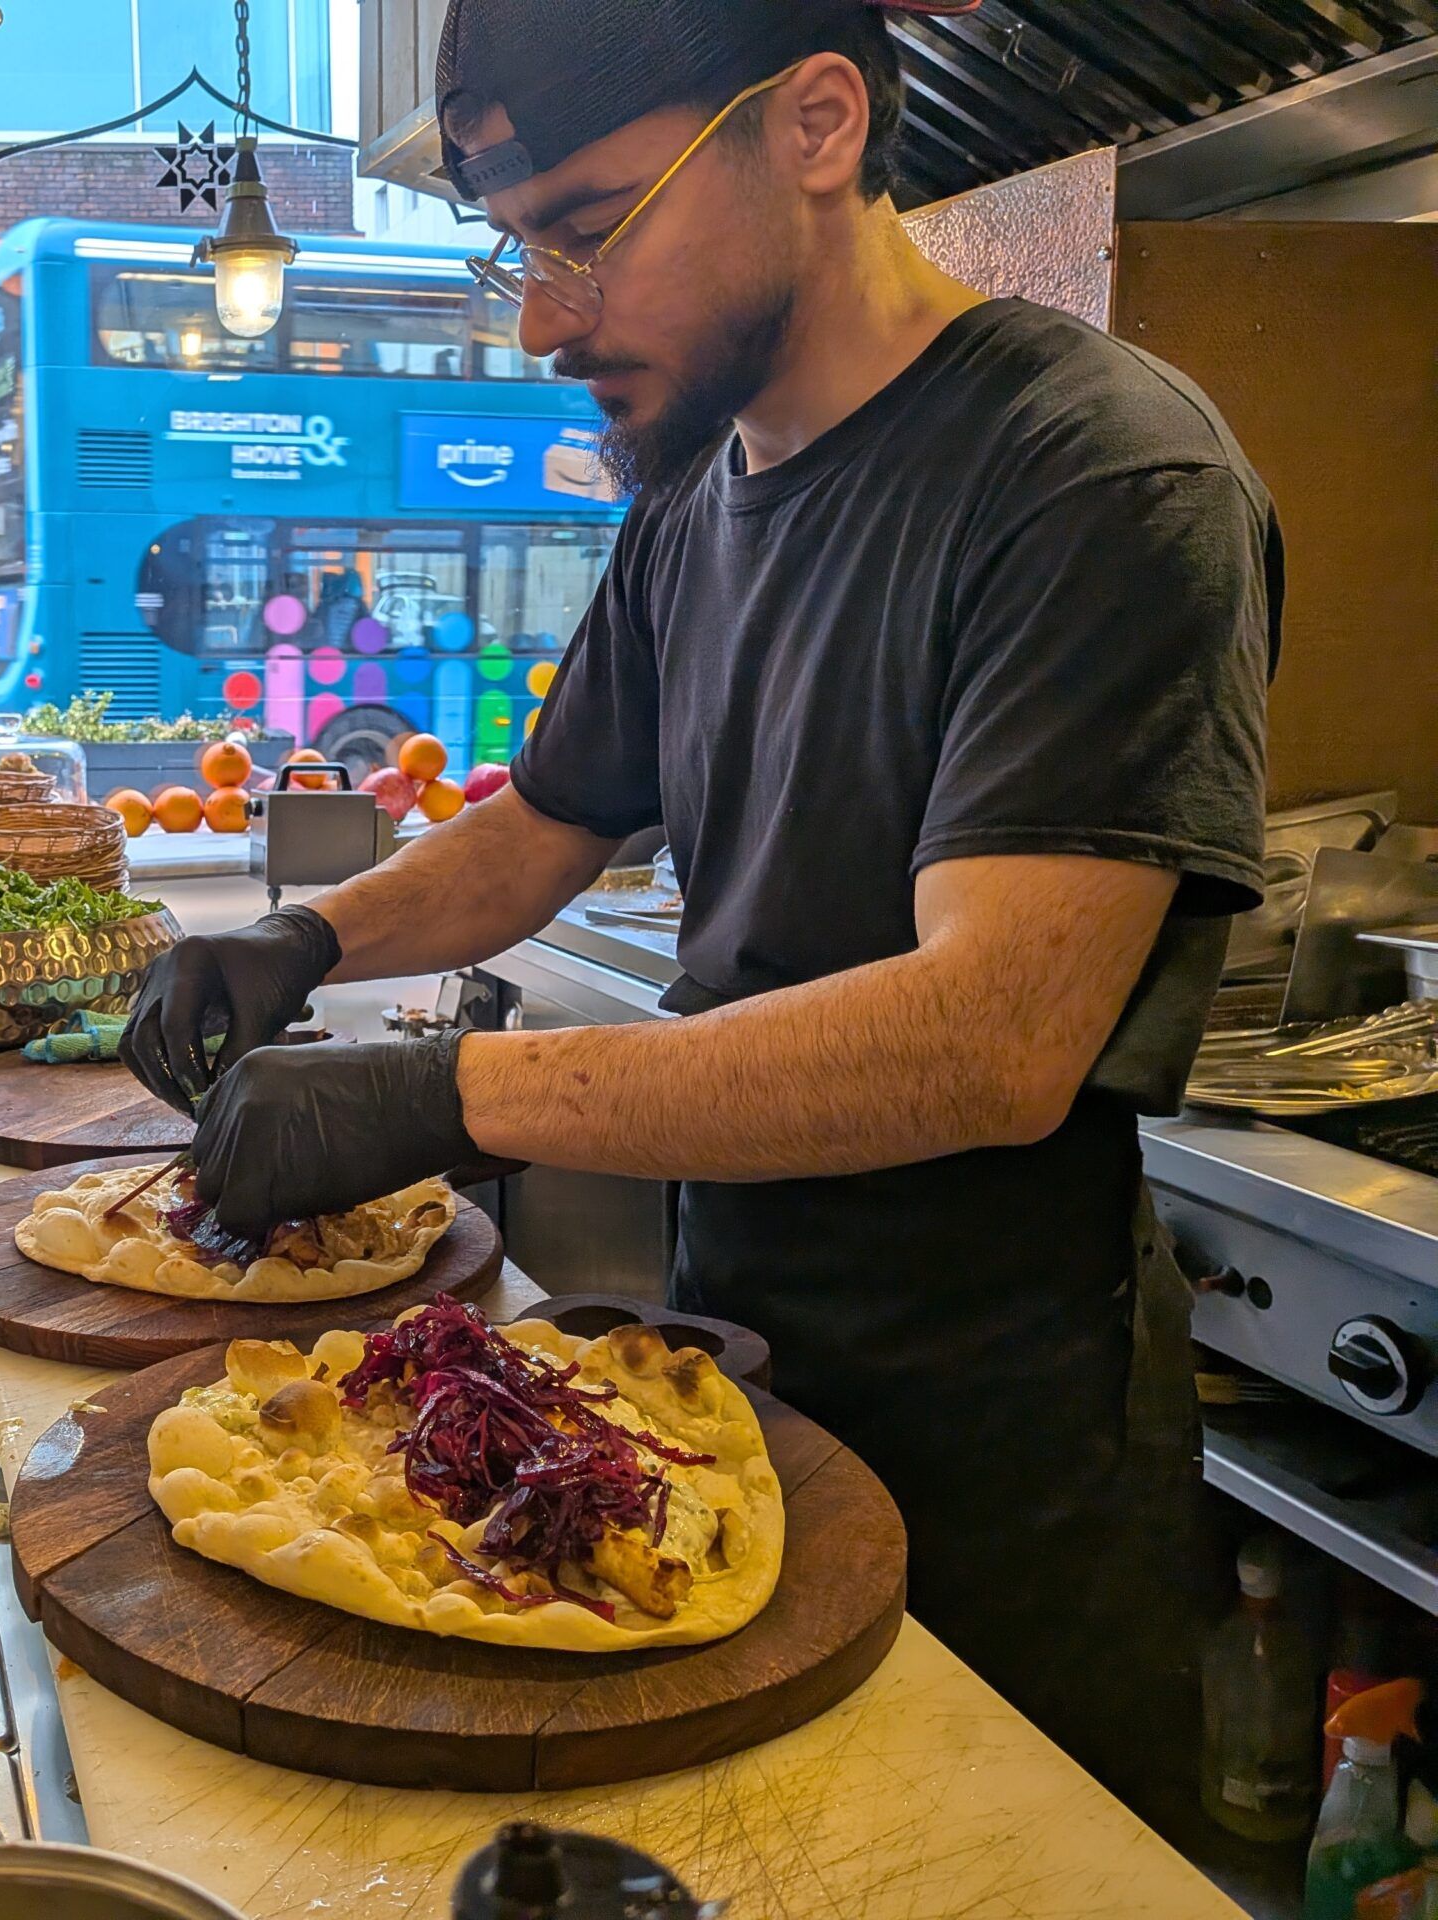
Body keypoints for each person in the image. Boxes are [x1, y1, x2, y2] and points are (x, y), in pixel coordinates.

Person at [121, 0, 1277, 1816]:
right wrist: (307, 941)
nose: (544, 319)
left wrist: (441, 1100)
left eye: (590, 227)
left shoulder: (1095, 477)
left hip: (1001, 1452)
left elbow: (990, 1041)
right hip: (724, 1387)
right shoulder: (700, 502)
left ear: (815, 123)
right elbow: (546, 824)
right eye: (523, 250)